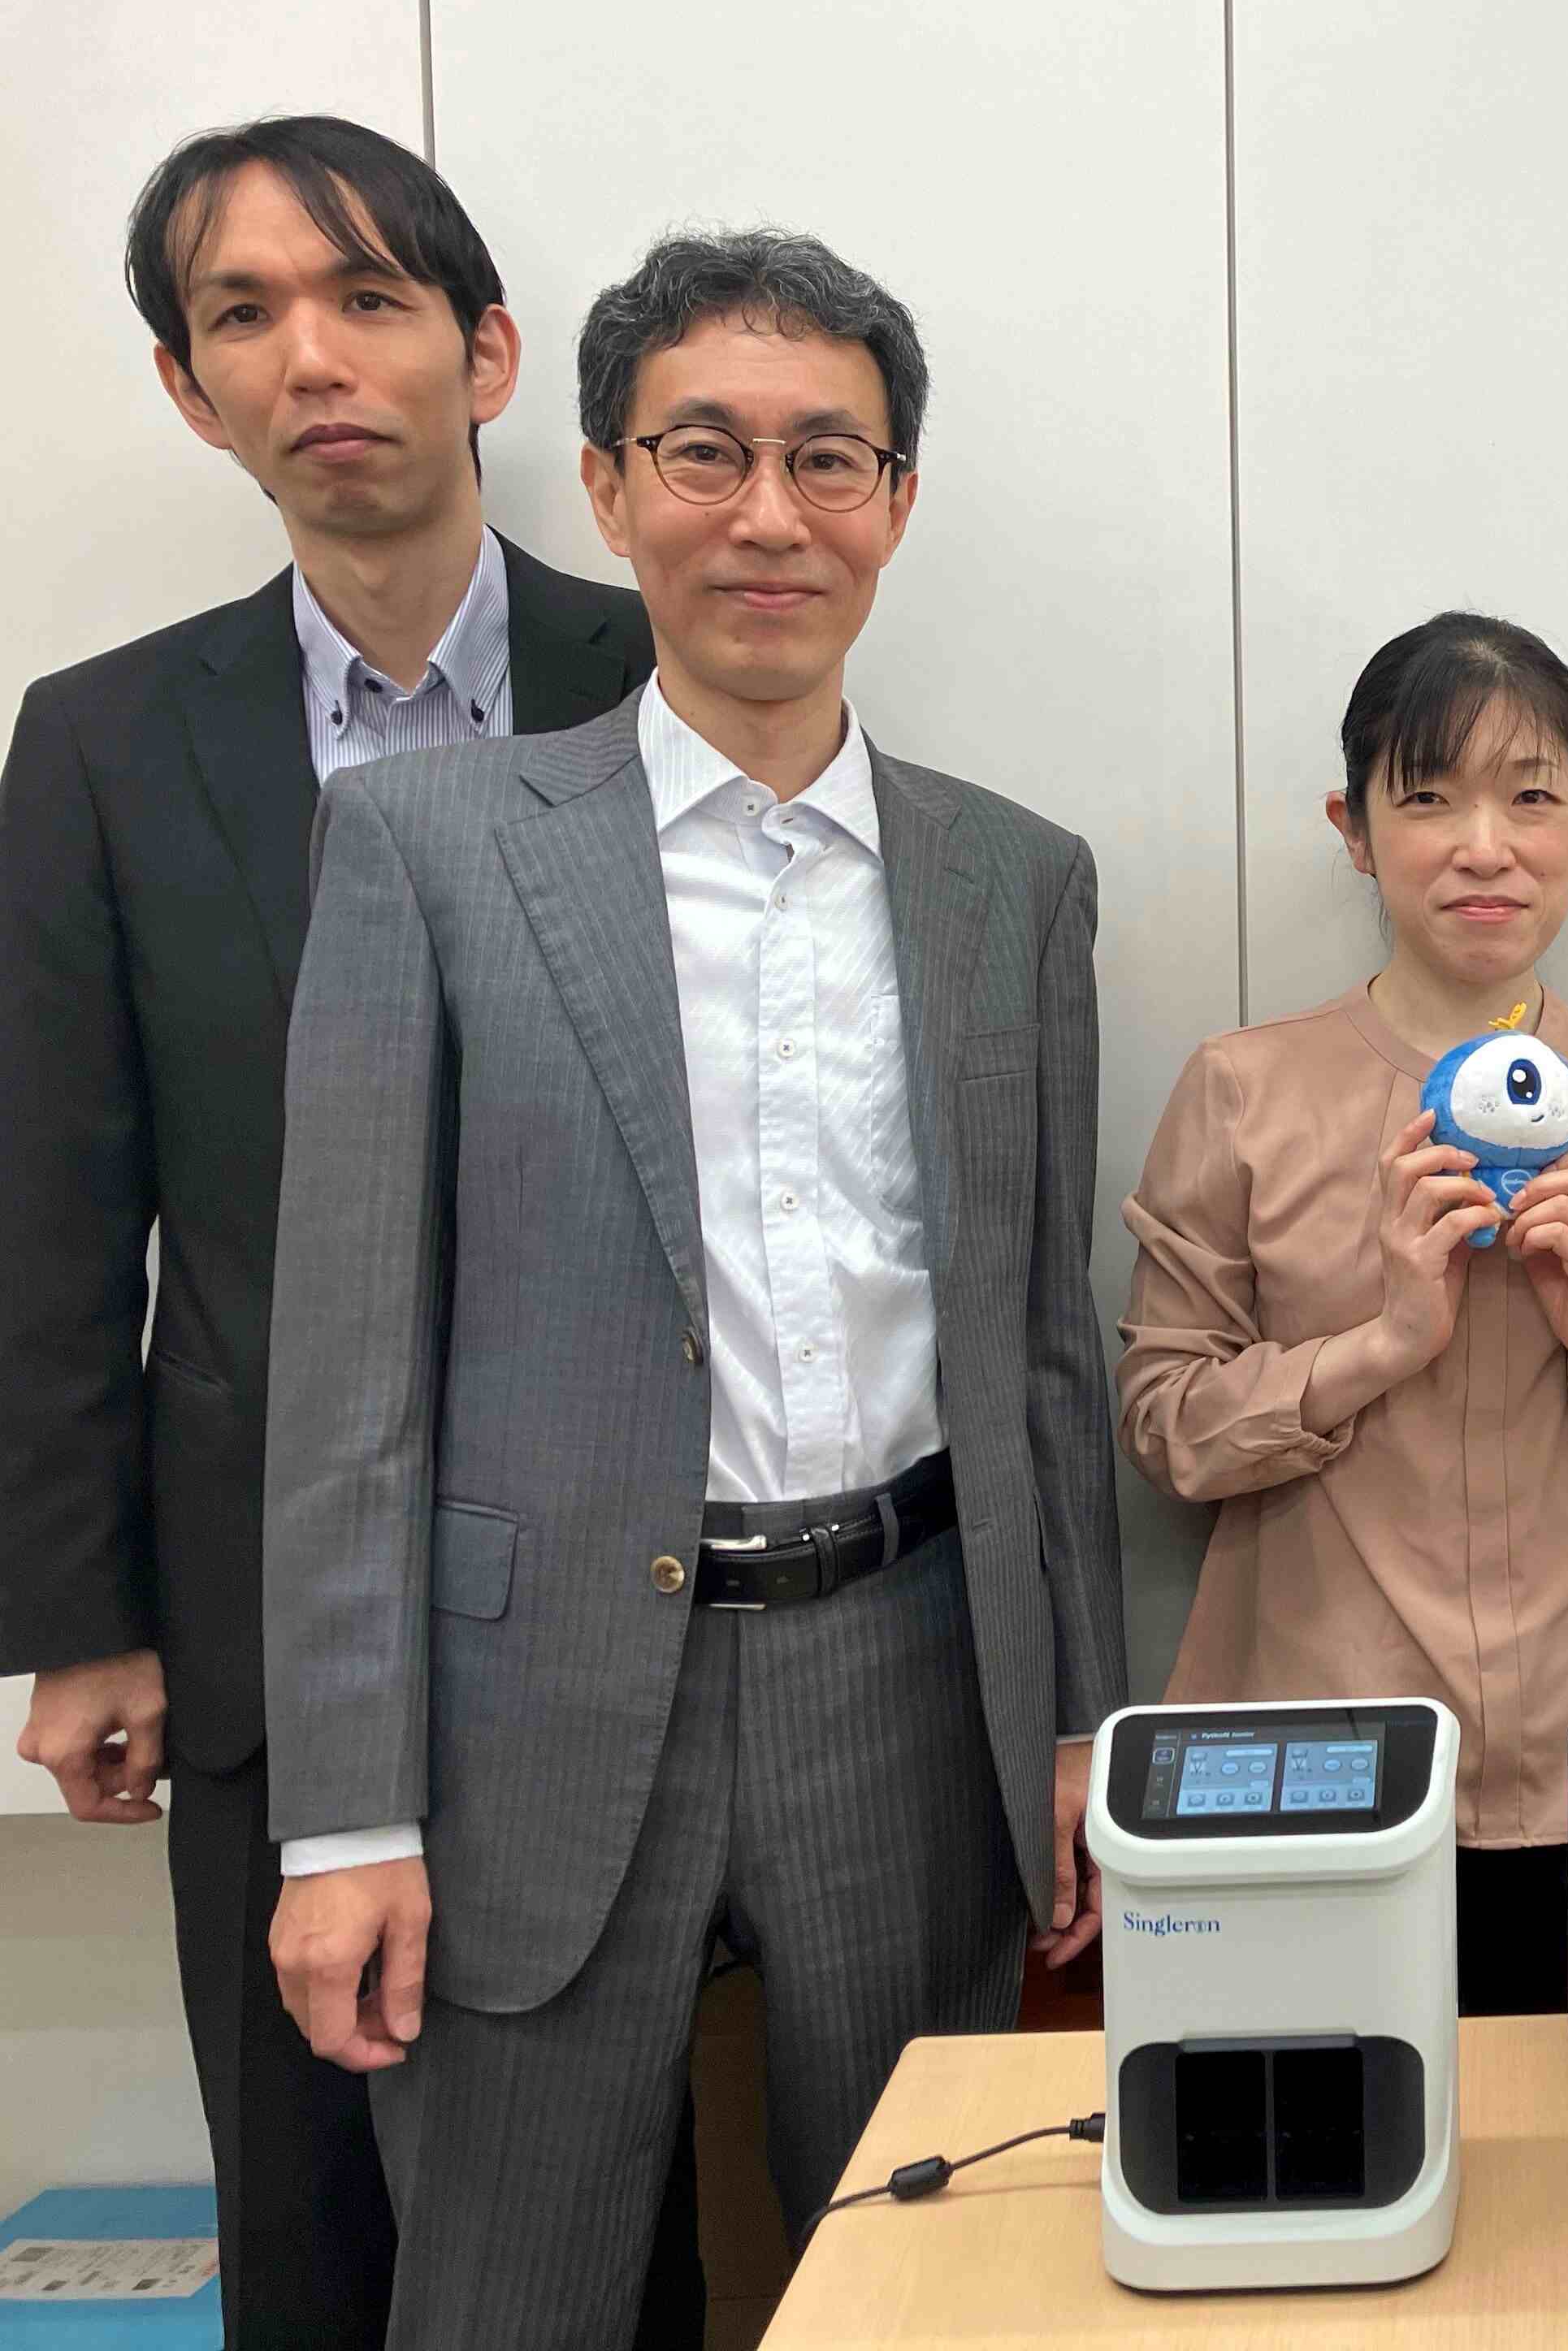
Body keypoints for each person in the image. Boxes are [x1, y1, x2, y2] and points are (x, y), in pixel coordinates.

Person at [254, 227, 1127, 2349]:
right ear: (607, 481)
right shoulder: (435, 848)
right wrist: (345, 1812)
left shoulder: (1016, 876)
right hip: (523, 1710)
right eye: (706, 452)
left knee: (926, 2286)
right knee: (508, 2294)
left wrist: (1084, 1709)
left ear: (899, 506)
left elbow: (1037, 1345)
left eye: (830, 460)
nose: (768, 514)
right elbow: (346, 1375)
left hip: (910, 1683)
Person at [0, 115, 700, 2347]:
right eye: (244, 314)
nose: (315, 356)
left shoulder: (675, 669)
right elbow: (49, 1201)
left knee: (621, 2201)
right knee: (308, 2218)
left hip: (617, 1572)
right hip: (259, 1593)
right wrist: (81, 1619)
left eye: (369, 298)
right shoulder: (106, 743)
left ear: (485, 353)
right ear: (190, 390)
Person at [1119, 612, 1568, 2015]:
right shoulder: (1244, 1089)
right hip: (1320, 1752)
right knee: (1338, 2183)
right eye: (1429, 798)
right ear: (1354, 830)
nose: (1487, 845)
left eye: (1532, 797)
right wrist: (1382, 1344)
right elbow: (1163, 1426)